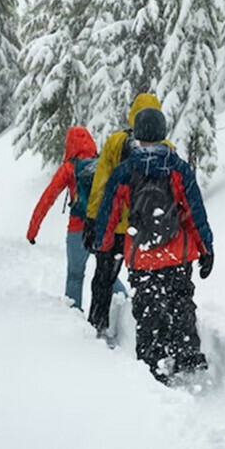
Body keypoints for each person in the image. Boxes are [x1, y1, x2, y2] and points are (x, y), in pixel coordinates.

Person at [92, 108, 214, 383]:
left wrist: (103, 243)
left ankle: (153, 364)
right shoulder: (178, 168)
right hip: (177, 253)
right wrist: (206, 248)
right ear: (163, 132)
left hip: (142, 255)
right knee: (181, 303)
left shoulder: (125, 171)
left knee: (148, 311)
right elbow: (195, 212)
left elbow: (108, 213)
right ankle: (187, 356)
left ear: (137, 134)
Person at [83, 93, 165, 336]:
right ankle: (148, 333)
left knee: (104, 278)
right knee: (149, 283)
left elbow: (101, 184)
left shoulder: (116, 141)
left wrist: (92, 219)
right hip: (149, 231)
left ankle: (98, 325)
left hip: (116, 227)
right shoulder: (166, 148)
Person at [26, 126, 123, 310]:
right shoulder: (101, 163)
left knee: (75, 275)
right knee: (107, 273)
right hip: (101, 227)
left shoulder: (69, 168)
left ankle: (74, 319)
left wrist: (32, 231)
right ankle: (124, 306)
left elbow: (47, 198)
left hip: (78, 229)